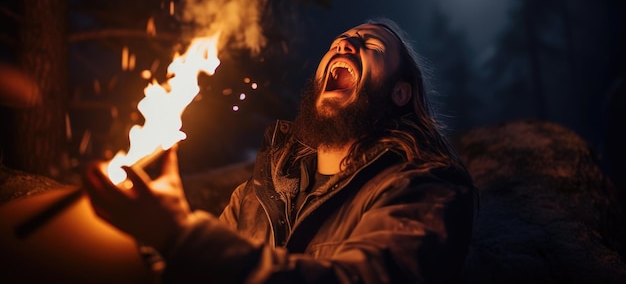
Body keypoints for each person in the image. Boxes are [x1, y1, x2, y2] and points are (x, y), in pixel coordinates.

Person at [83, 18, 476, 283]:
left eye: (370, 44)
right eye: (340, 40)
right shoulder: (254, 198)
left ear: (400, 93)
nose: (345, 42)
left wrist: (182, 236)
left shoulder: (426, 189)